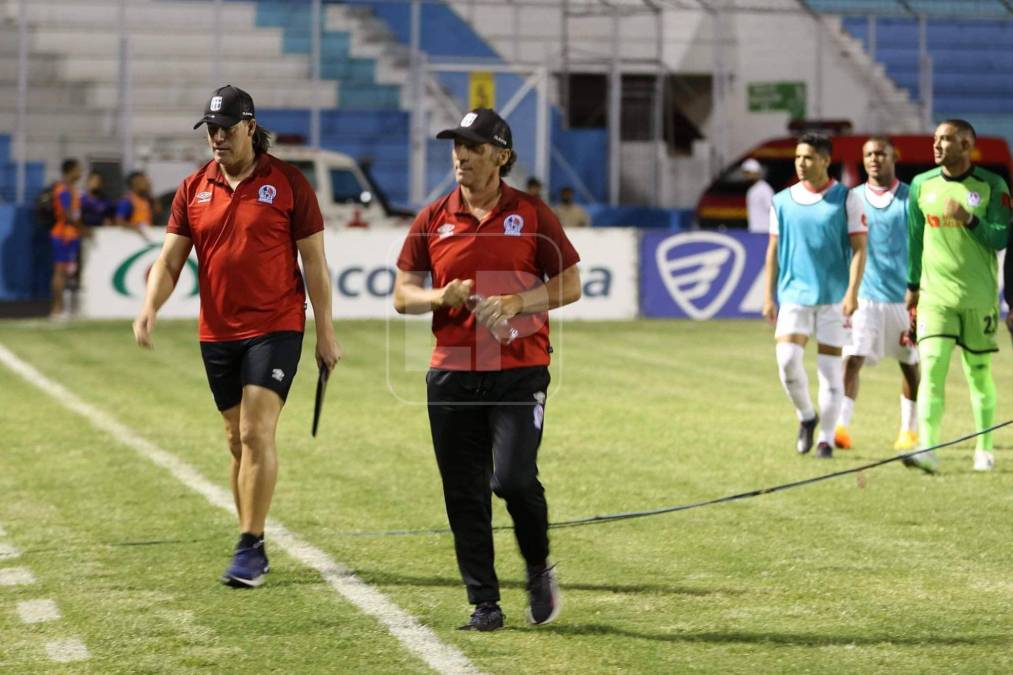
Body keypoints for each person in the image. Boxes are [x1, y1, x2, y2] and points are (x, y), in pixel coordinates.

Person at [132, 84, 342, 586]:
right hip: (218, 330)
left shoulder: (289, 183)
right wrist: (149, 308)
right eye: (211, 129)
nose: (217, 138)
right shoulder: (192, 188)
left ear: (250, 126)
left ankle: (249, 545)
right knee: (235, 440)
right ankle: (254, 537)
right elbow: (170, 260)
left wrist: (325, 332)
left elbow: (314, 262)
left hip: (277, 325)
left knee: (255, 430)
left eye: (226, 128)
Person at [393, 108, 581, 631]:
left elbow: (571, 284)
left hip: (519, 370)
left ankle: (538, 566)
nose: (461, 156)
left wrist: (520, 303)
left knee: (513, 480)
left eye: (473, 147)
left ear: (501, 155)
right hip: (451, 373)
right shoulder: (432, 218)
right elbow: (402, 296)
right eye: (456, 146)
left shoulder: (533, 213)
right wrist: (440, 295)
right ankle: (484, 603)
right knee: (463, 492)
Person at [903, 119, 1010, 474]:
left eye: (946, 140)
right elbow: (914, 240)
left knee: (978, 373)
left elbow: (1000, 239)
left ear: (966, 146)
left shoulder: (992, 186)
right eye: (935, 139)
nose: (937, 146)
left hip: (978, 297)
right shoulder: (921, 185)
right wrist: (912, 286)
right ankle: (927, 448)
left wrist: (969, 219)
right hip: (935, 298)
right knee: (931, 369)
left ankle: (985, 448)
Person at [762, 133, 867, 459]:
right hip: (794, 295)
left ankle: (825, 438)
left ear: (824, 160)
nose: (801, 163)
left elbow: (860, 249)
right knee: (787, 362)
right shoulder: (781, 201)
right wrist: (768, 296)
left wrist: (852, 292)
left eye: (808, 157)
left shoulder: (847, 199)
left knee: (830, 371)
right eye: (797, 157)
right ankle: (806, 416)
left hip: (834, 298)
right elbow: (773, 251)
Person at [834, 137, 920, 451]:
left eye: (880, 153)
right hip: (865, 296)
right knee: (851, 358)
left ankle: (908, 430)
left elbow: (924, 245)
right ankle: (841, 427)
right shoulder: (851, 198)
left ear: (893, 157)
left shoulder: (912, 198)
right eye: (869, 154)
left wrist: (920, 288)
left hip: (903, 297)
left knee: (909, 363)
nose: (874, 159)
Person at [49, 158, 84, 320]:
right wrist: (82, 228)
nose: (80, 173)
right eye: (78, 169)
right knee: (60, 271)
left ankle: (67, 307)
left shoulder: (72, 189)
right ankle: (57, 309)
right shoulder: (62, 189)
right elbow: (67, 214)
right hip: (63, 234)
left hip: (71, 234)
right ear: (71, 170)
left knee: (69, 271)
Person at [743, 158, 774, 234]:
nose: (747, 176)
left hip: (765, 232)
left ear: (756, 173)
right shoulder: (752, 190)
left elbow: (773, 210)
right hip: (754, 231)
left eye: (749, 173)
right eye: (746, 173)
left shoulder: (765, 189)